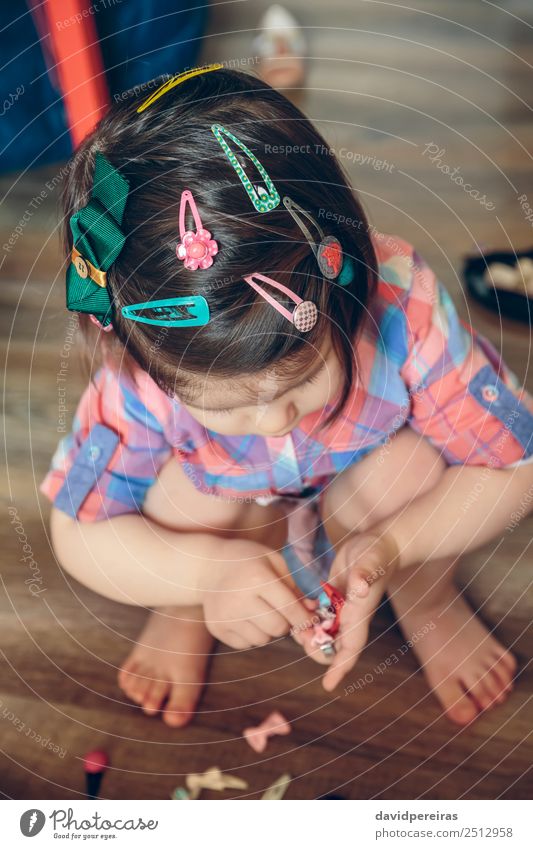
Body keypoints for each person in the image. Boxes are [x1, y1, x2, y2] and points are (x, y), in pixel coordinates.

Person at [41, 66, 532, 728]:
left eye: (301, 377)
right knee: (172, 499)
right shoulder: (140, 370)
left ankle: (426, 599)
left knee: (411, 468)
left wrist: (394, 544)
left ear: (346, 278)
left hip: (361, 501)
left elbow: (515, 463)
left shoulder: (401, 309)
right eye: (227, 404)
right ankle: (183, 607)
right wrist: (202, 572)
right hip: (231, 515)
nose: (273, 417)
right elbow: (79, 529)